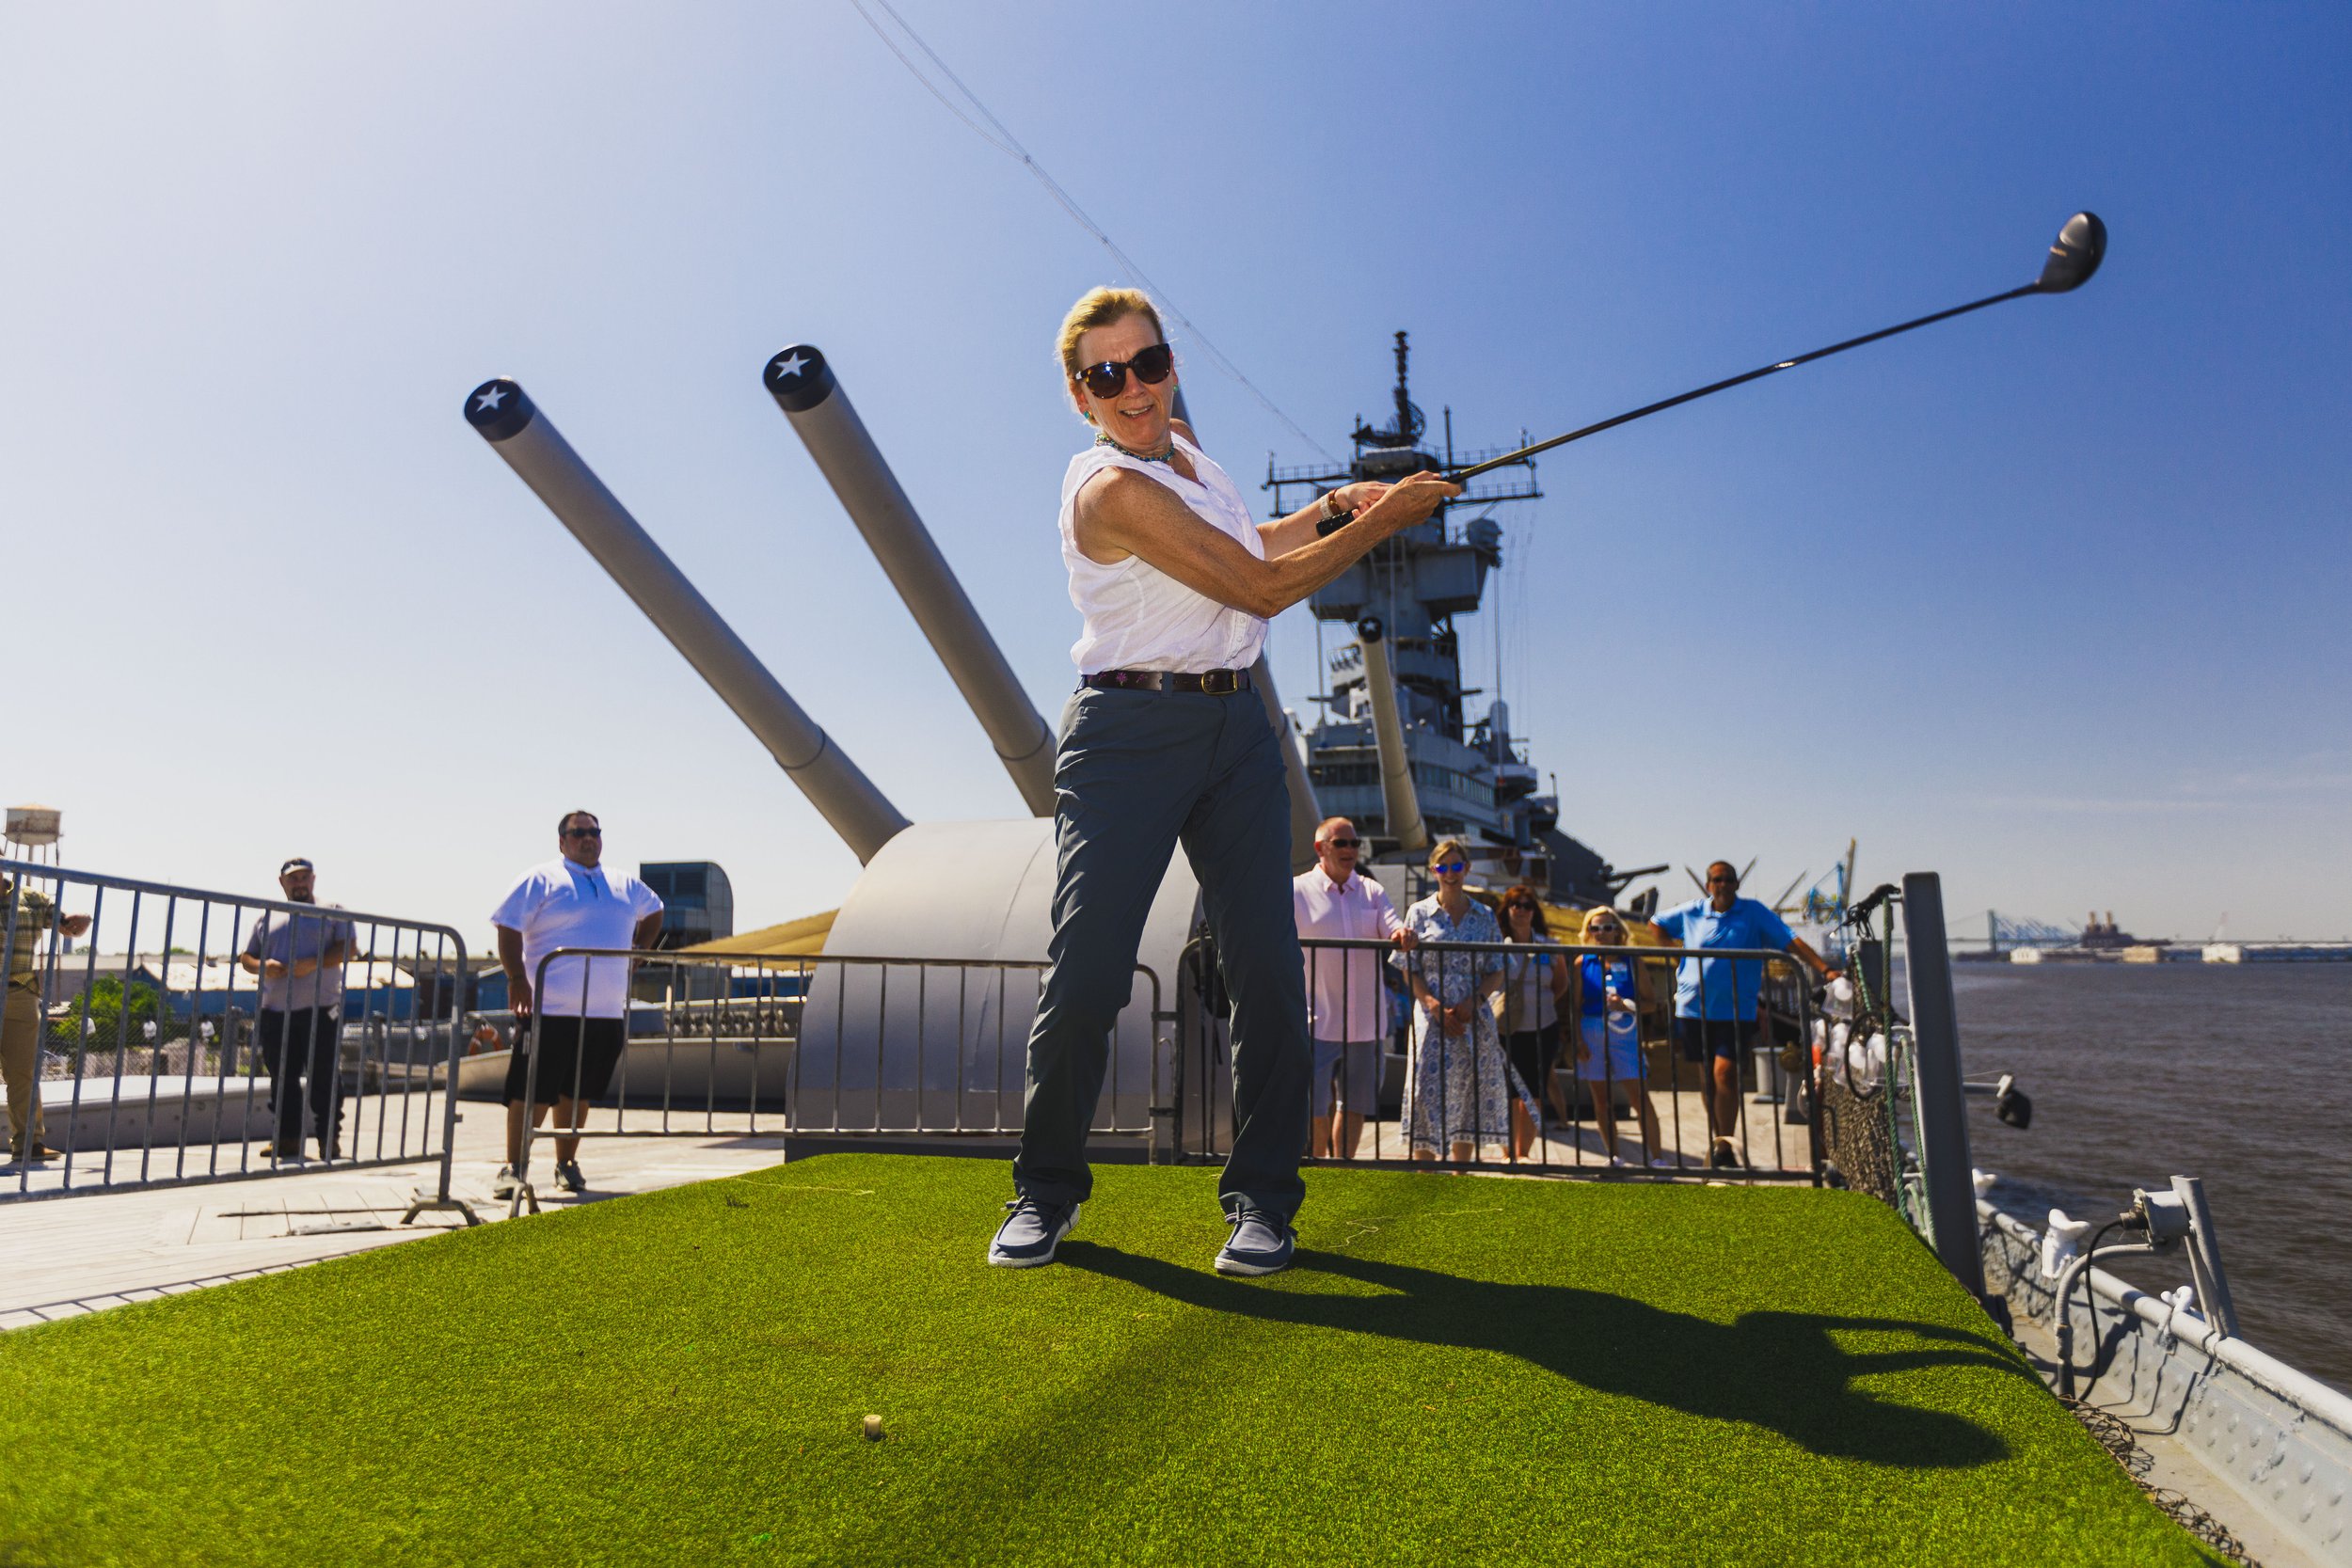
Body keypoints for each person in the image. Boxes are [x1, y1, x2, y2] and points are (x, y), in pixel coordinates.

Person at [990, 287, 1459, 1275]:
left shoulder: (1194, 461)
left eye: (1147, 363)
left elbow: (1251, 546)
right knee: (1087, 971)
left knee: (1269, 975)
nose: (1133, 388)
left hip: (1236, 725)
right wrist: (1397, 515)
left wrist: (1336, 505)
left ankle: (1263, 1202)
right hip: (1128, 729)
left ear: (1170, 365)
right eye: (1106, 375)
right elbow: (1257, 588)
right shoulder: (1108, 488)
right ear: (1081, 397)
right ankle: (1044, 1190)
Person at [490, 811, 663, 1198]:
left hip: (603, 1012)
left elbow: (654, 910)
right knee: (531, 1090)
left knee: (579, 1091)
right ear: (562, 841)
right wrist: (517, 979)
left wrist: (640, 950)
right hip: (548, 1009)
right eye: (578, 833)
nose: (588, 839)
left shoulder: (623, 883)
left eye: (594, 832)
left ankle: (566, 1164)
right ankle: (512, 1168)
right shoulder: (541, 878)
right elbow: (508, 925)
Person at [1652, 861, 1840, 1169]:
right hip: (1692, 1008)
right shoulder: (1691, 912)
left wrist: (1825, 969)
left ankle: (1725, 1142)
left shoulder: (1754, 913)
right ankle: (1719, 1142)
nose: (1722, 884)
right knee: (1706, 1078)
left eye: (1728, 879)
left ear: (1737, 884)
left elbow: (1790, 939)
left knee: (1724, 1073)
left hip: (1735, 1010)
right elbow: (1656, 923)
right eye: (1716, 879)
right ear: (1708, 884)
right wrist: (1676, 954)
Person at [1292, 816, 1415, 1161]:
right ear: (1320, 848)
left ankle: (1340, 1171)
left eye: (1354, 843)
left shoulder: (1372, 890)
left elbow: (1392, 924)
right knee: (1315, 1106)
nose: (1350, 850)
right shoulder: (1296, 890)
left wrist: (1401, 934)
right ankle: (1317, 1171)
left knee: (1356, 1103)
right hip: (1315, 1020)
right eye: (1341, 843)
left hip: (1364, 1022)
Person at [1393, 840, 1520, 1164]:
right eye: (1442, 867)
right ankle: (1426, 1174)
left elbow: (1497, 970)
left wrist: (1474, 1001)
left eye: (1455, 866)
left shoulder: (1485, 915)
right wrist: (1433, 1005)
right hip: (1429, 1015)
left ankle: (1460, 1174)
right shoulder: (1418, 913)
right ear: (1433, 871)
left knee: (1469, 1090)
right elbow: (1410, 968)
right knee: (1424, 1090)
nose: (1449, 873)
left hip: (1471, 1016)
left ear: (1467, 869)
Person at [239, 857, 357, 1162]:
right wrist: (263, 965)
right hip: (276, 1010)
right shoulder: (268, 917)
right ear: (282, 883)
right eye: (293, 878)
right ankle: (288, 1139)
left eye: (304, 877)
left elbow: (348, 948)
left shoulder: (332, 910)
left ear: (314, 880)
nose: (300, 883)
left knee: (324, 1076)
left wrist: (313, 962)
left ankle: (328, 1140)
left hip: (321, 1008)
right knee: (282, 1078)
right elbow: (247, 957)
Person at [1565, 906, 1670, 1169]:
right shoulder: (1582, 962)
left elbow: (1651, 1003)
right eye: (1595, 928)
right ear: (1588, 932)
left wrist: (1627, 1005)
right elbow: (1574, 1006)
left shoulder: (1633, 961)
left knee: (1638, 1097)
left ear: (1617, 932)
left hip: (1625, 1031)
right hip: (1591, 1031)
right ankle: (1613, 1157)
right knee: (1601, 1099)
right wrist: (1577, 1039)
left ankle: (1656, 1158)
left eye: (1607, 928)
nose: (1601, 933)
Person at [3, 873, 90, 1164]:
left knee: (23, 1072)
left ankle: (28, 1144)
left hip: (20, 994)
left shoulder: (30, 899)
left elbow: (64, 924)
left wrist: (76, 923)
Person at [1495, 887, 1568, 1159]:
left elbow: (1561, 984)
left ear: (1534, 911)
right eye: (1516, 904)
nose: (1522, 910)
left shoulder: (1550, 946)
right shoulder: (1496, 945)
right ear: (1508, 909)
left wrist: (1539, 1002)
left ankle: (1522, 1153)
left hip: (1542, 1026)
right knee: (1506, 1092)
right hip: (1504, 1029)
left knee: (1534, 1090)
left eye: (1527, 905)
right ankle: (1507, 1153)